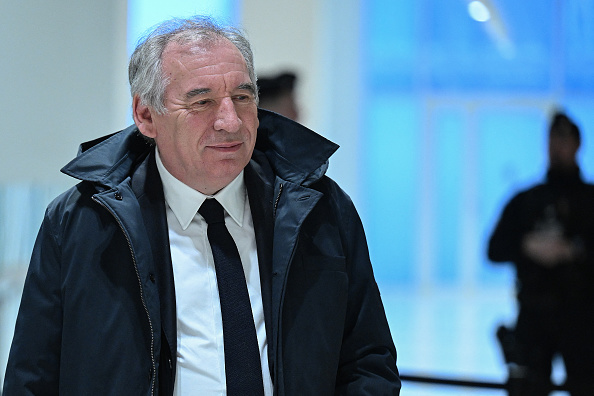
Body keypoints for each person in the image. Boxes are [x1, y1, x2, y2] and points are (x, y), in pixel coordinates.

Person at [2, 15, 400, 395]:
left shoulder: (320, 209)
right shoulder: (81, 221)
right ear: (146, 116)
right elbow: (33, 376)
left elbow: (368, 360)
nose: (231, 121)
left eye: (242, 97)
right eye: (202, 102)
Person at [488, 111, 594, 395]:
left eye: (563, 139)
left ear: (576, 144)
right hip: (534, 320)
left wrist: (573, 251)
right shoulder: (527, 200)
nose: (556, 146)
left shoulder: (589, 200)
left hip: (583, 321)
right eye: (551, 139)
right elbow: (493, 249)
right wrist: (527, 246)